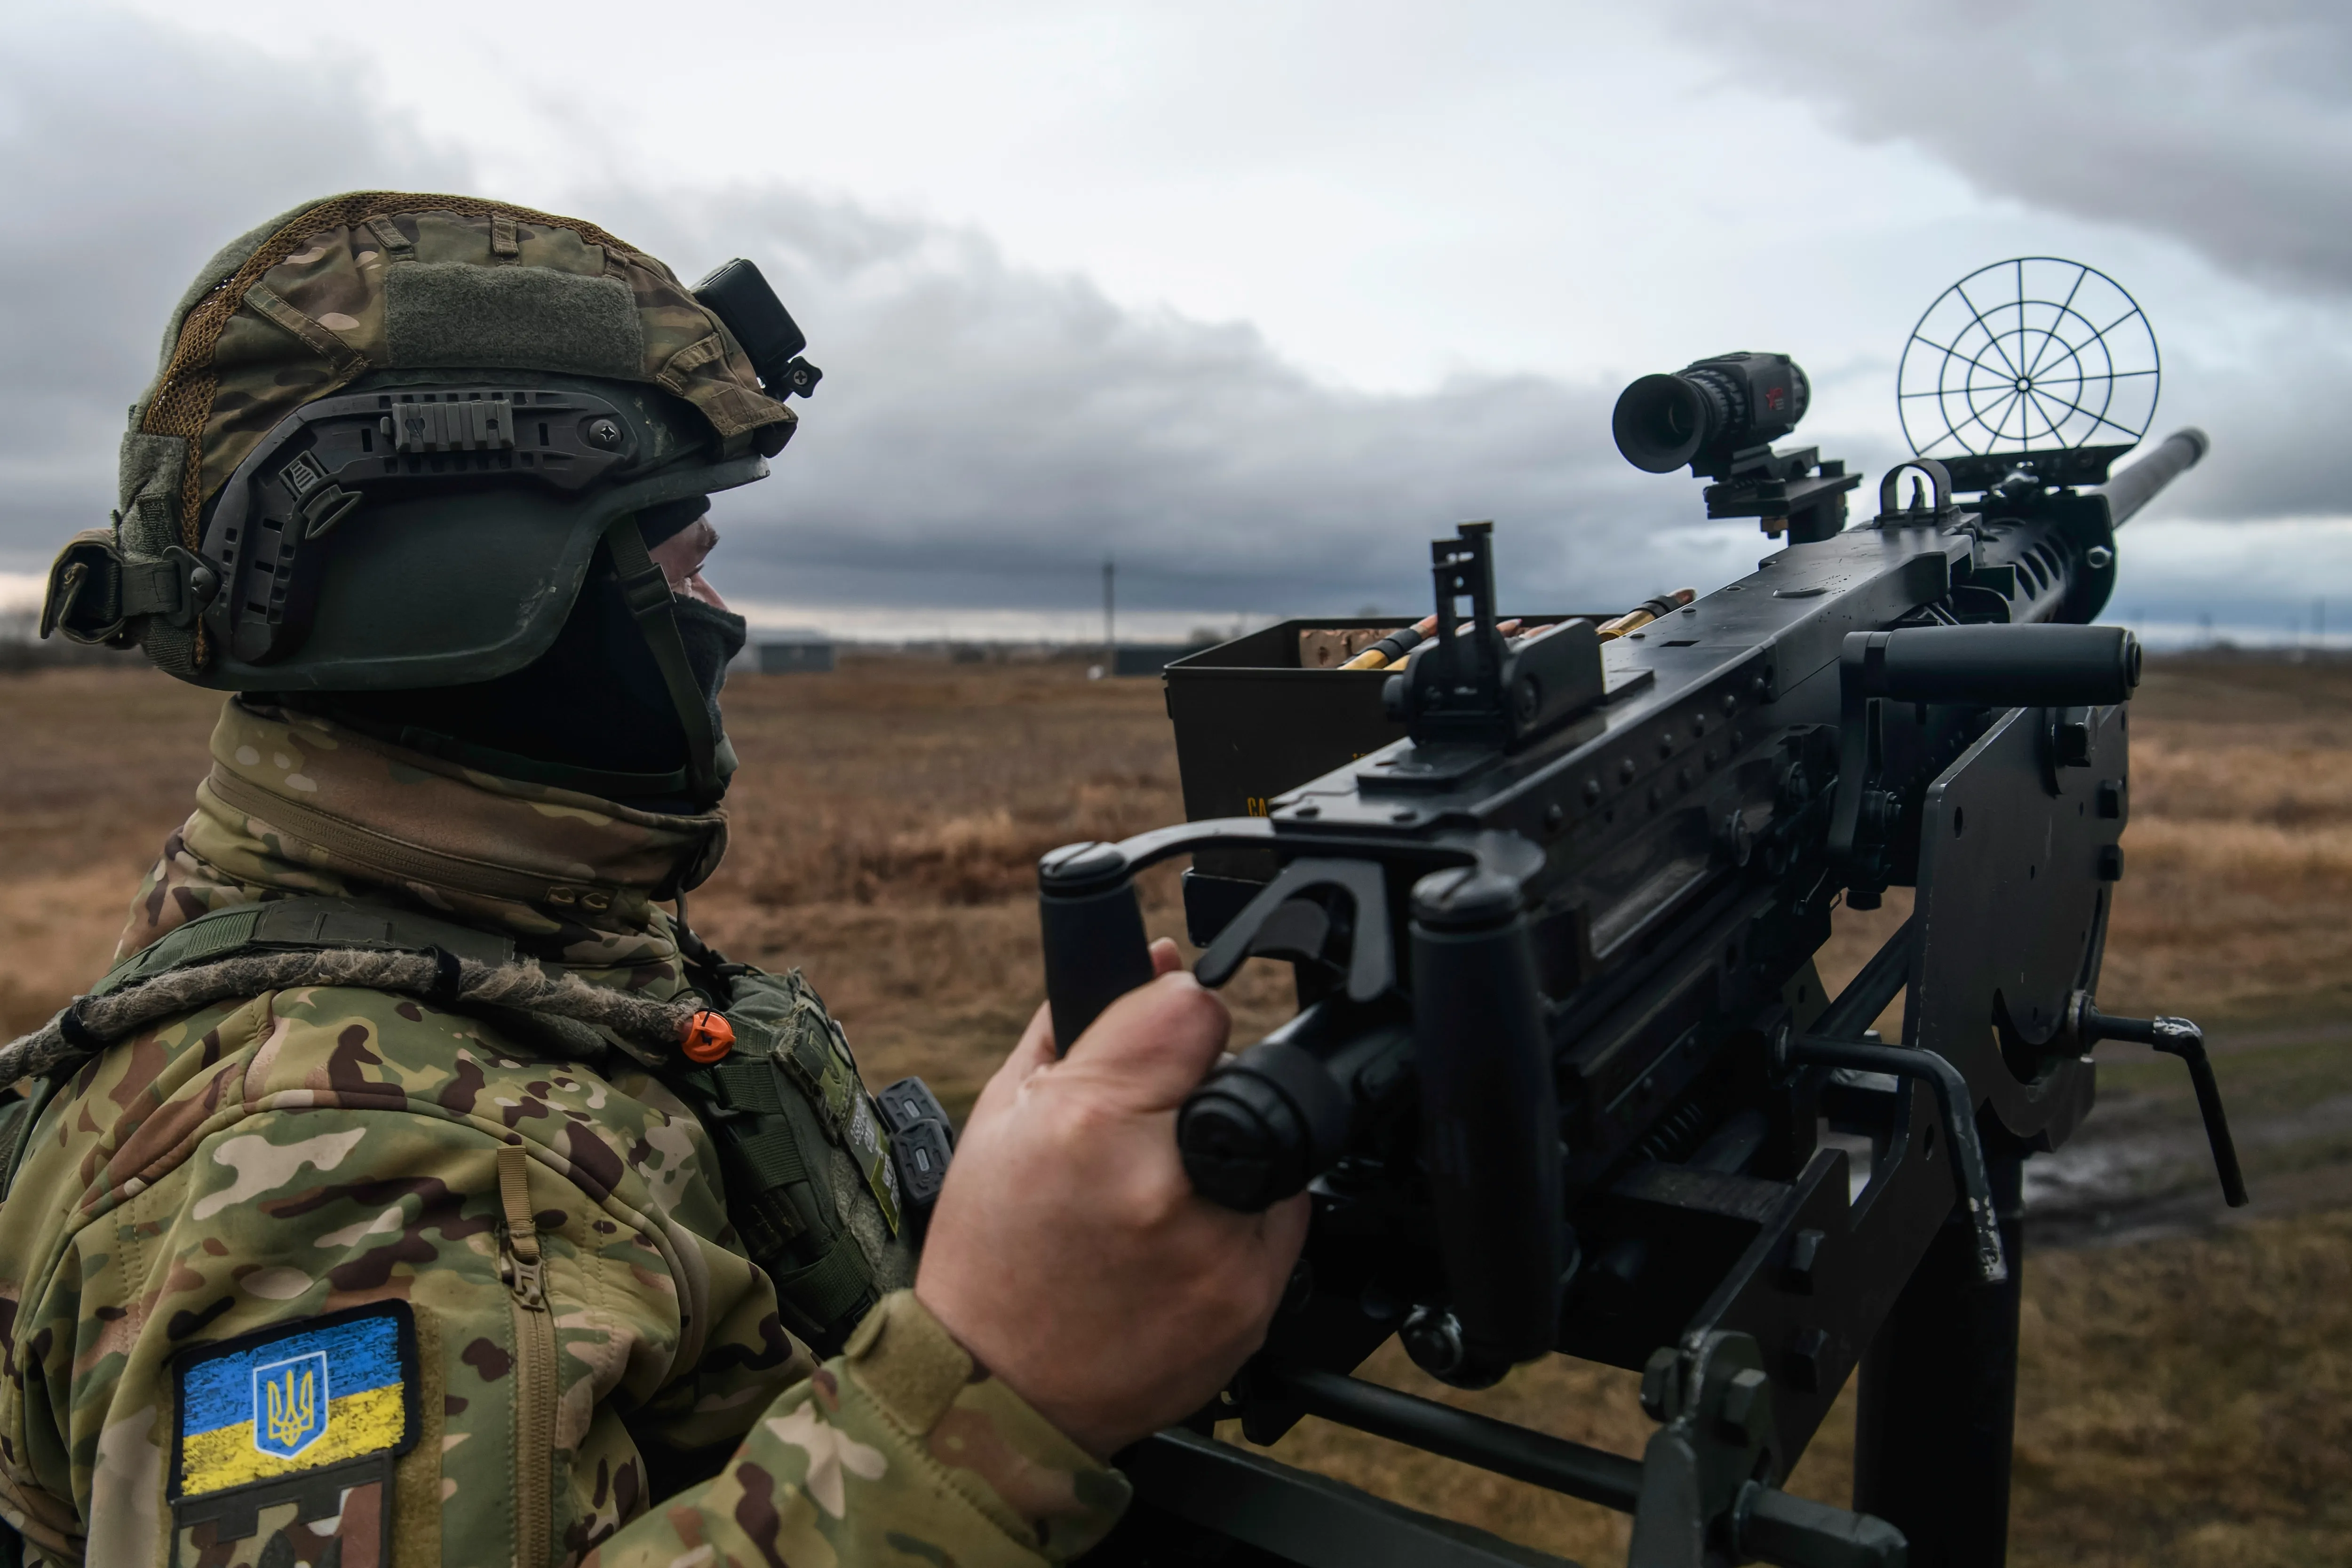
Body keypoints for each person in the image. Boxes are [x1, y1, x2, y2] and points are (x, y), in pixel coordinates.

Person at [4, 192, 1308, 1568]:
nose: (719, 616)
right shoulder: (336, 1189)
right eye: (681, 562)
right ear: (479, 598)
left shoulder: (458, 948)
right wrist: (996, 1401)